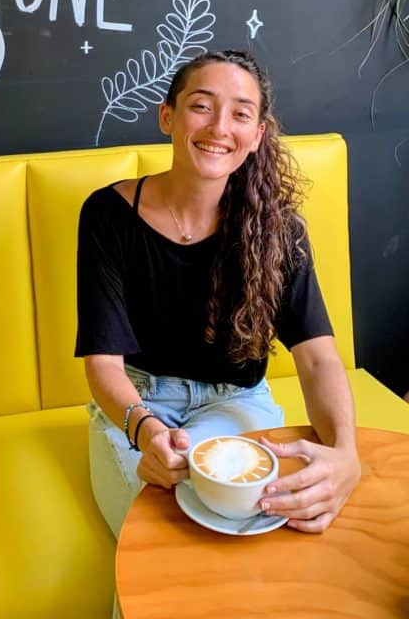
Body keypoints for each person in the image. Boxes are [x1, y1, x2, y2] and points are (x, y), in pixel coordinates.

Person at [76, 49, 361, 543]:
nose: (219, 127)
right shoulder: (107, 214)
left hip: (237, 405)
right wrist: (148, 435)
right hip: (137, 403)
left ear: (257, 136)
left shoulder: (280, 231)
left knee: (243, 527)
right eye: (201, 105)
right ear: (168, 116)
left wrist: (347, 456)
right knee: (154, 540)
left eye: (241, 114)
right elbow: (103, 363)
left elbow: (317, 360)